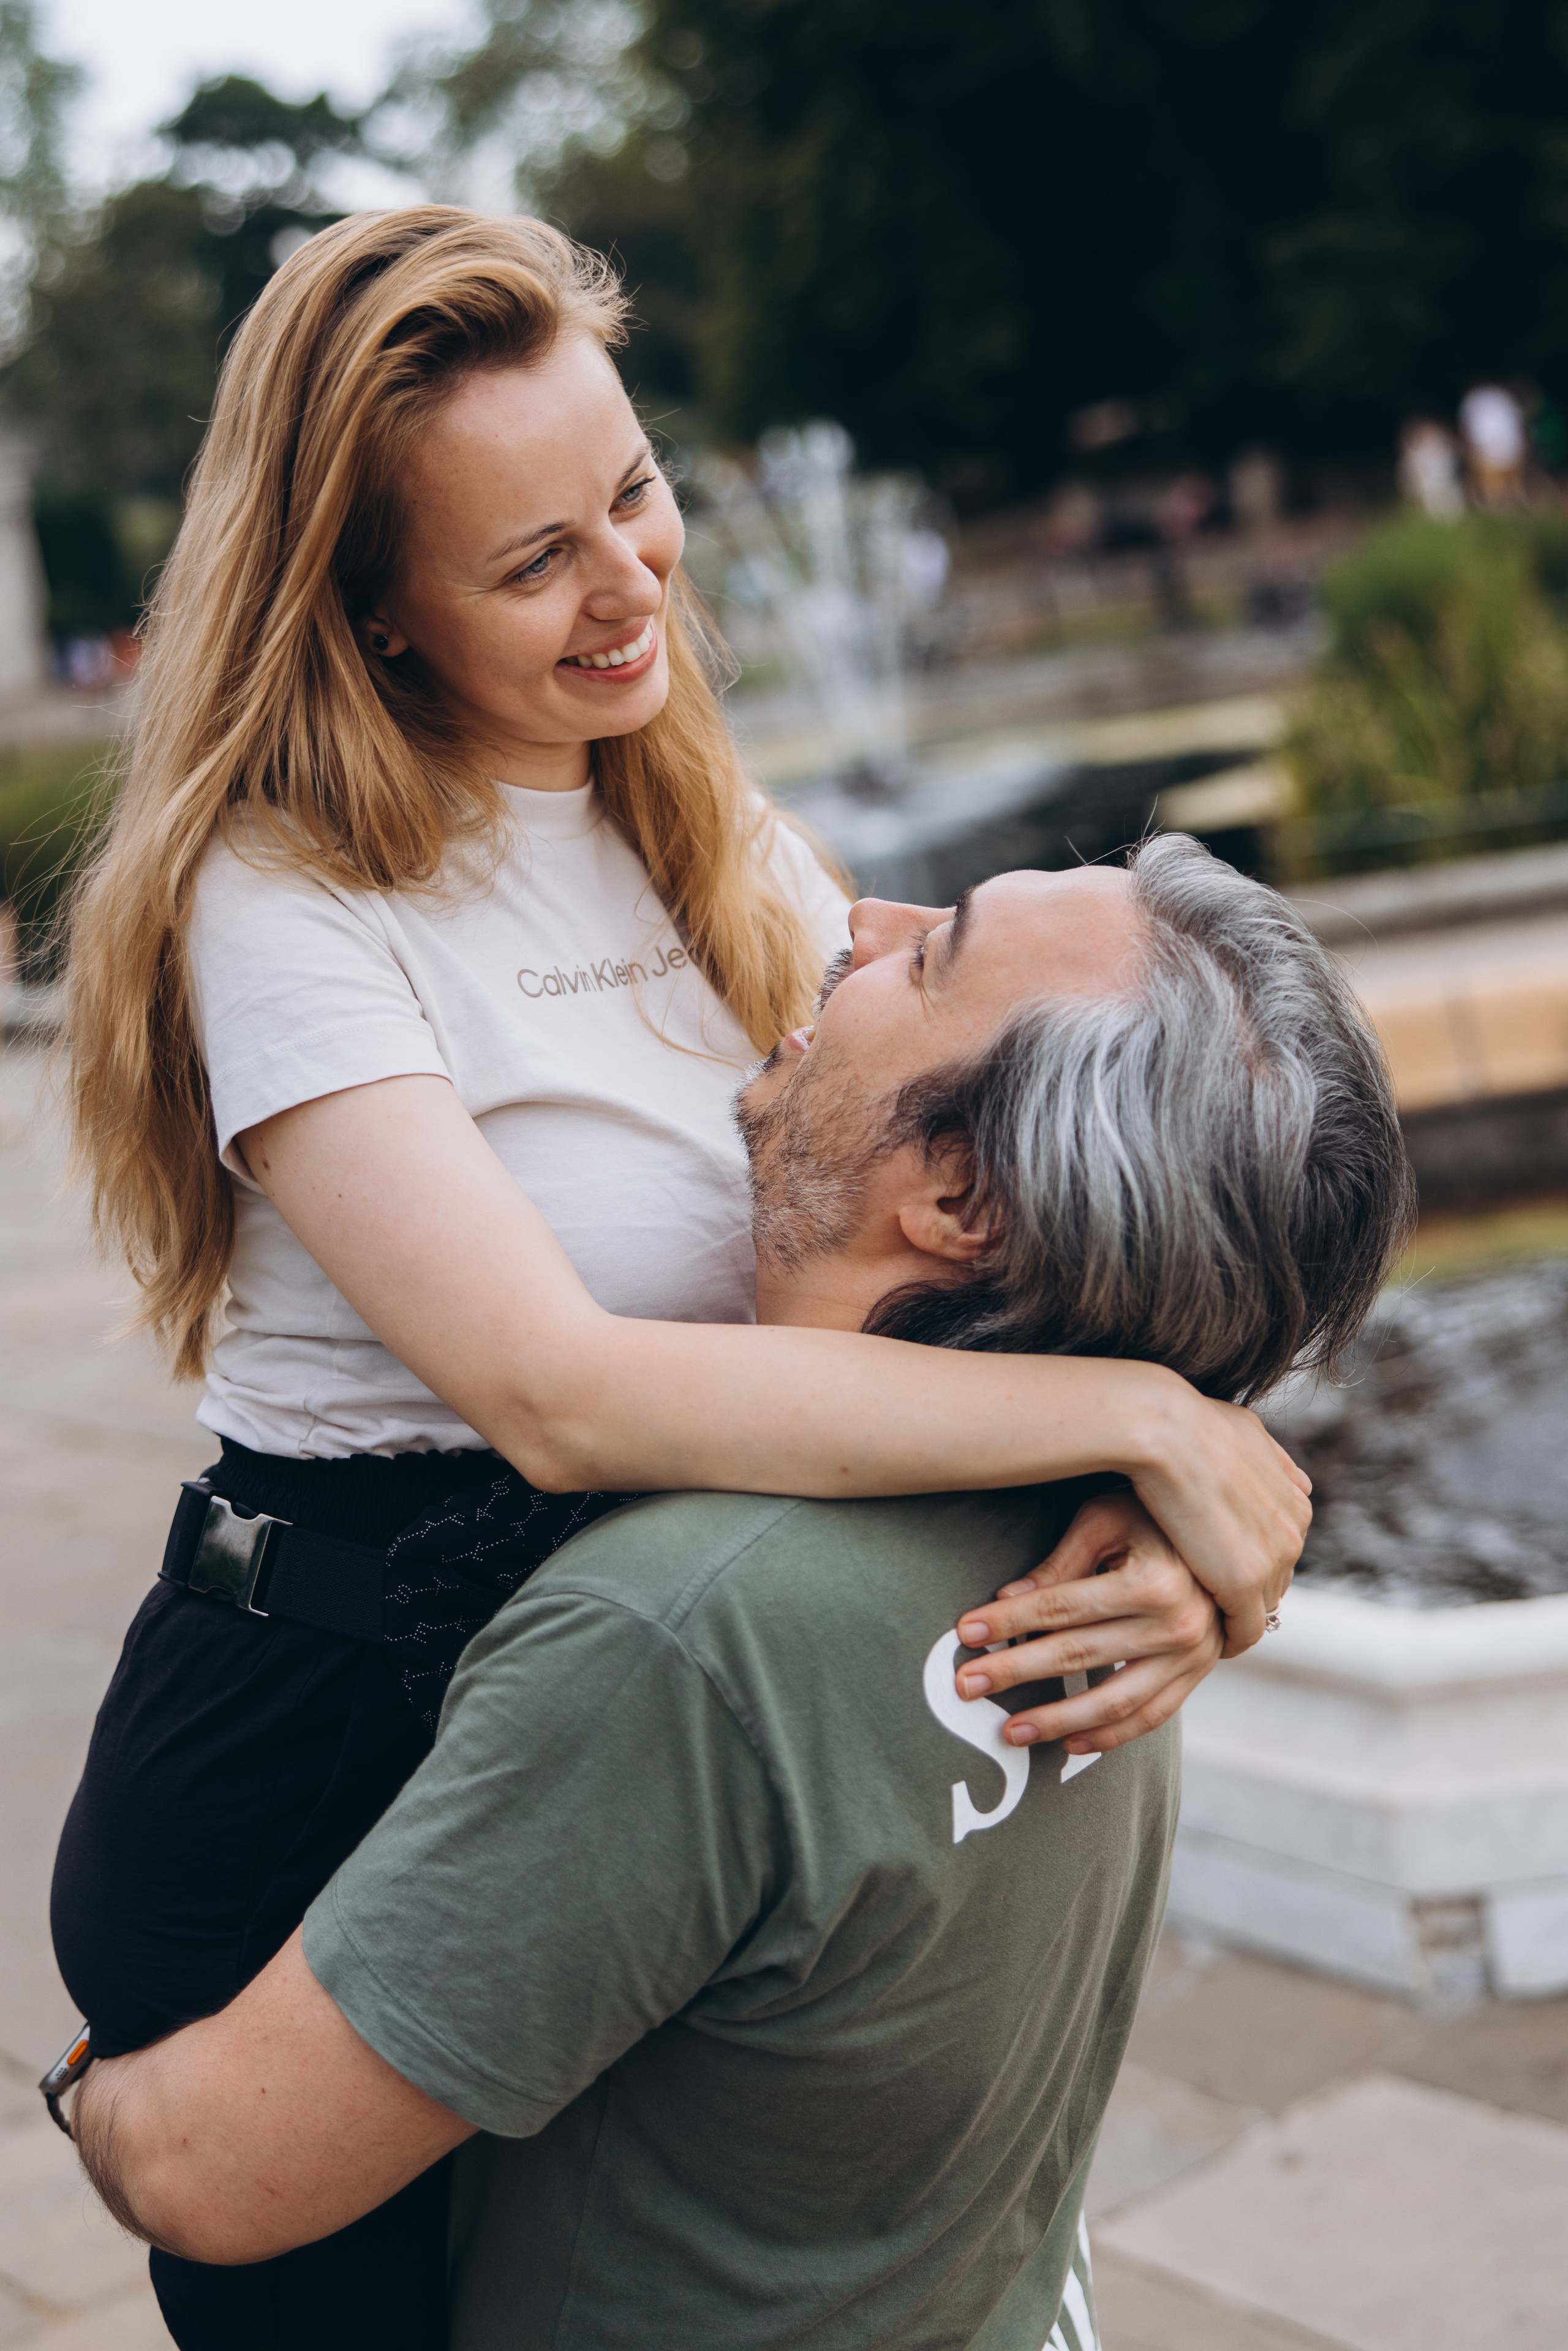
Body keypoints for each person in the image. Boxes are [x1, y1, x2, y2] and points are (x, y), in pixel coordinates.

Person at [51, 208, 1308, 2348]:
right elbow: (559, 1390)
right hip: (322, 1724)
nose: (630, 584)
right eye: (531, 558)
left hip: (591, 1703)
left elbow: (1006, 1116)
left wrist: (1201, 1507)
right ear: (371, 601)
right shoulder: (285, 894)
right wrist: (1146, 1420)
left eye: (635, 494)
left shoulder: (690, 810)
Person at [66, 838, 1415, 2351]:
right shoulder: (1116, 1550)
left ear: (959, 1194)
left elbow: (212, 2175)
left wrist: (90, 2079)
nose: (858, 916)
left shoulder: (688, 1634)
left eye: (932, 952)